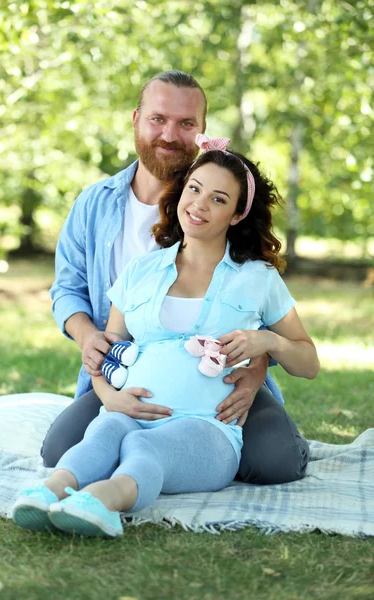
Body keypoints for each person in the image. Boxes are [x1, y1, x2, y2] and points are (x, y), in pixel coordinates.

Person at [12, 136, 320, 537]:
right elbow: (109, 351)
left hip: (205, 425)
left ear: (237, 215)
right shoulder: (142, 270)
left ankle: (103, 501)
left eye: (218, 199)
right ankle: (47, 492)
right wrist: (110, 398)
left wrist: (269, 343)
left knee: (146, 449)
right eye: (194, 189)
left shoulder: (257, 278)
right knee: (106, 431)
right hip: (129, 410)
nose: (199, 205)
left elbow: (309, 363)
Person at [41, 70, 310, 485]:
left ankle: (196, 451)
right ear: (136, 119)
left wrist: (260, 361)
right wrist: (89, 340)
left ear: (203, 132)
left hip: (217, 386)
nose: (170, 134)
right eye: (158, 119)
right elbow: (67, 289)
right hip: (126, 374)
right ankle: (146, 455)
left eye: (186, 124)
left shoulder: (225, 200)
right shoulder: (95, 205)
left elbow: (257, 306)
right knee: (59, 451)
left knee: (273, 463)